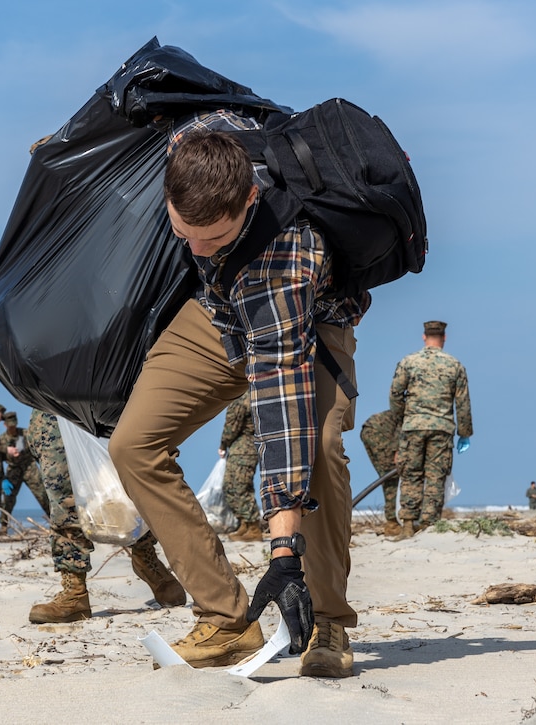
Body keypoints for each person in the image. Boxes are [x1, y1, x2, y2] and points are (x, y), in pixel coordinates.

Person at [108, 112, 369, 679]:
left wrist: (283, 556)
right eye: (185, 232)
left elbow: (284, 410)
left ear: (250, 198)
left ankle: (325, 619)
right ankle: (228, 618)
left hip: (304, 325)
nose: (199, 246)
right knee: (133, 445)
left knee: (320, 445)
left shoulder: (284, 255)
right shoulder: (186, 143)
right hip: (216, 313)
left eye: (216, 236)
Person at [24, 409, 186, 622]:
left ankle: (146, 558)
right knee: (64, 497)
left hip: (106, 400)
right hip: (53, 407)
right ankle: (74, 592)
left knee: (125, 488)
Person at [388, 321, 474, 540]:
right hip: (442, 427)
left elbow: (395, 394)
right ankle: (428, 525)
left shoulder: (409, 362)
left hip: (413, 426)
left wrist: (402, 419)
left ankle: (408, 524)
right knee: (436, 476)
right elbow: (463, 402)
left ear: (424, 337)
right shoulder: (455, 365)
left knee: (411, 474)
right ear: (444, 338)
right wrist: (465, 433)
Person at [219, 392, 263, 542]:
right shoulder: (251, 394)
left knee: (240, 487)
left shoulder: (242, 396)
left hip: (244, 449)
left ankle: (254, 528)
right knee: (230, 487)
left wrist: (223, 444)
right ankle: (244, 523)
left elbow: (232, 424)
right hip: (241, 448)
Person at [0, 410, 51, 534]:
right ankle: (3, 526)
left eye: (14, 425)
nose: (13, 428)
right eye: (10, 426)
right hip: (13, 469)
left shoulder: (25, 434)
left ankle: (56, 522)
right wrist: (3, 479)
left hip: (29, 467)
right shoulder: (2, 440)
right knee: (7, 497)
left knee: (43, 495)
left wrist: (44, 468)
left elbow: (37, 451)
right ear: (5, 425)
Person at [359, 410, 400, 535]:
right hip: (378, 431)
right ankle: (393, 524)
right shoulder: (419, 414)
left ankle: (396, 520)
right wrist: (397, 449)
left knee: (389, 474)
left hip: (373, 429)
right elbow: (402, 429)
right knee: (392, 475)